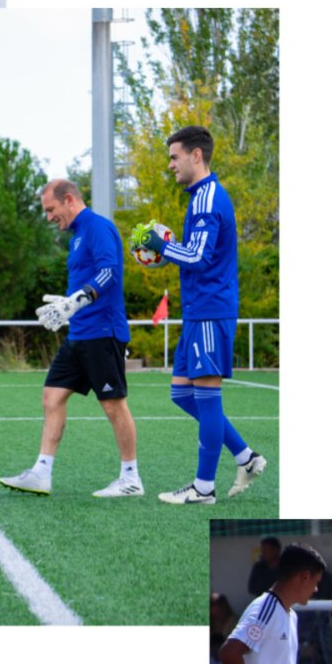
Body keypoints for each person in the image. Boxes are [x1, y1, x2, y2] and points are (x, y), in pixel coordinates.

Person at [132, 126, 266, 504]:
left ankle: (203, 488)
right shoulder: (199, 198)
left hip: (210, 309)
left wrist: (161, 245)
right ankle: (246, 457)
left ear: (196, 156)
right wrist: (168, 248)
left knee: (207, 397)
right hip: (198, 311)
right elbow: (192, 252)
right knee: (181, 393)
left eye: (175, 157)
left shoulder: (208, 198)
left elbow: (198, 257)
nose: (170, 165)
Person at [0, 179, 141, 498]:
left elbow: (109, 272)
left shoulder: (97, 227)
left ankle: (131, 479)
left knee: (113, 405)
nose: (49, 217)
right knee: (52, 397)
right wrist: (68, 307)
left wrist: (79, 298)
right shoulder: (77, 237)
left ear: (69, 200)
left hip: (103, 332)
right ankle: (41, 473)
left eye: (51, 210)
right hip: (79, 334)